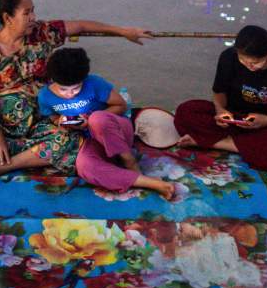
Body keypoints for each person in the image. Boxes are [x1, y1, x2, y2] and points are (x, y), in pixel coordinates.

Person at [0, 0, 152, 186]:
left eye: (33, 10)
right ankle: (17, 151)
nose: (33, 17)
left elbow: (80, 26)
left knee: (71, 139)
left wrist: (124, 31)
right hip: (4, 122)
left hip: (41, 118)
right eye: (27, 13)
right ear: (8, 18)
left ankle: (3, 163)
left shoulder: (42, 33)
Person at [38, 48, 178, 200]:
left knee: (97, 119)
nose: (70, 93)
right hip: (90, 140)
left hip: (116, 133)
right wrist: (63, 121)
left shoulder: (95, 83)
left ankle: (129, 161)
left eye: (76, 88)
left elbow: (121, 105)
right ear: (52, 80)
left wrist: (91, 119)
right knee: (85, 166)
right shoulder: (45, 96)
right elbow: (52, 117)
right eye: (63, 89)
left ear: (84, 79)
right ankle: (150, 183)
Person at [174, 25, 267, 170]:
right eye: (244, 61)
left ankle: (213, 142)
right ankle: (241, 145)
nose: (250, 66)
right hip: (232, 116)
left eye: (256, 63)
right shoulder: (228, 57)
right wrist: (220, 110)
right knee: (185, 111)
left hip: (261, 121)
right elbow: (220, 91)